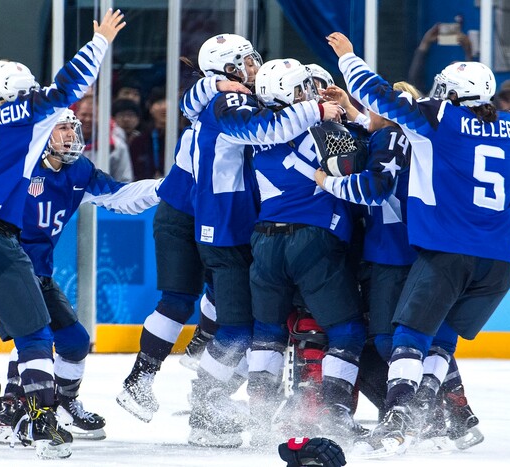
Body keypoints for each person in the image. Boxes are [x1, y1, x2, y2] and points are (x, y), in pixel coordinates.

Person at [0, 10, 126, 458]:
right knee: (36, 334)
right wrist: (98, 41)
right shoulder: (28, 114)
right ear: (20, 93)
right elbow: (67, 88)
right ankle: (42, 424)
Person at [327, 32, 510, 457]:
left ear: (450, 93)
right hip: (501, 261)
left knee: (408, 339)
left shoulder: (439, 117)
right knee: (440, 344)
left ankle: (399, 421)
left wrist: (348, 58)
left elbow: (378, 96)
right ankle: (445, 417)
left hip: (451, 251)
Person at [183, 34, 344, 449]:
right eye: (246, 61)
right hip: (232, 226)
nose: (254, 67)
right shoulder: (235, 104)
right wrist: (320, 109)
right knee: (241, 327)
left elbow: (193, 103)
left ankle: (236, 406)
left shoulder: (229, 98)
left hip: (246, 230)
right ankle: (205, 404)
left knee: (259, 329)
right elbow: (257, 129)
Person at [0, 109, 161, 442]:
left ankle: (63, 402)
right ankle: (9, 407)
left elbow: (117, 196)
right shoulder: (19, 168)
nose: (70, 134)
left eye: (73, 127)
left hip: (38, 273)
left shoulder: (78, 170)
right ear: (41, 134)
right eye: (62, 128)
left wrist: (166, 188)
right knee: (32, 339)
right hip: (6, 272)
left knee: (75, 342)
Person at [116, 74, 251, 424]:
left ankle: (201, 346)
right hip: (184, 214)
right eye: (247, 62)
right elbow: (189, 98)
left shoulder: (220, 104)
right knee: (180, 300)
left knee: (223, 292)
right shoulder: (217, 104)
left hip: (202, 214)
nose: (253, 69)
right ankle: (141, 380)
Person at [247, 58, 364, 446]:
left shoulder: (251, 132)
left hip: (264, 241)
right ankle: (334, 414)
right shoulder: (324, 128)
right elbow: (363, 164)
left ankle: (259, 417)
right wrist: (349, 114)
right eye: (304, 88)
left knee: (266, 334)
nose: (311, 94)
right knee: (346, 331)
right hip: (313, 240)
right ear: (292, 92)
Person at [75, 93, 134, 182]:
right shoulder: (64, 143)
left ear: (103, 117)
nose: (87, 119)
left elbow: (124, 180)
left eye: (93, 115)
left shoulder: (116, 146)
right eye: (84, 114)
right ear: (76, 115)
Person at [408, 22, 474, 94]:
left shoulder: (465, 99)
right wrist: (425, 43)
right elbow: (414, 85)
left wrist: (468, 53)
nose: (452, 65)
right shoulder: (432, 102)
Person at [129, 87, 167, 180]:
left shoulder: (185, 138)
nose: (164, 107)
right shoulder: (139, 142)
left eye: (168, 101)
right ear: (150, 108)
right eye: (159, 103)